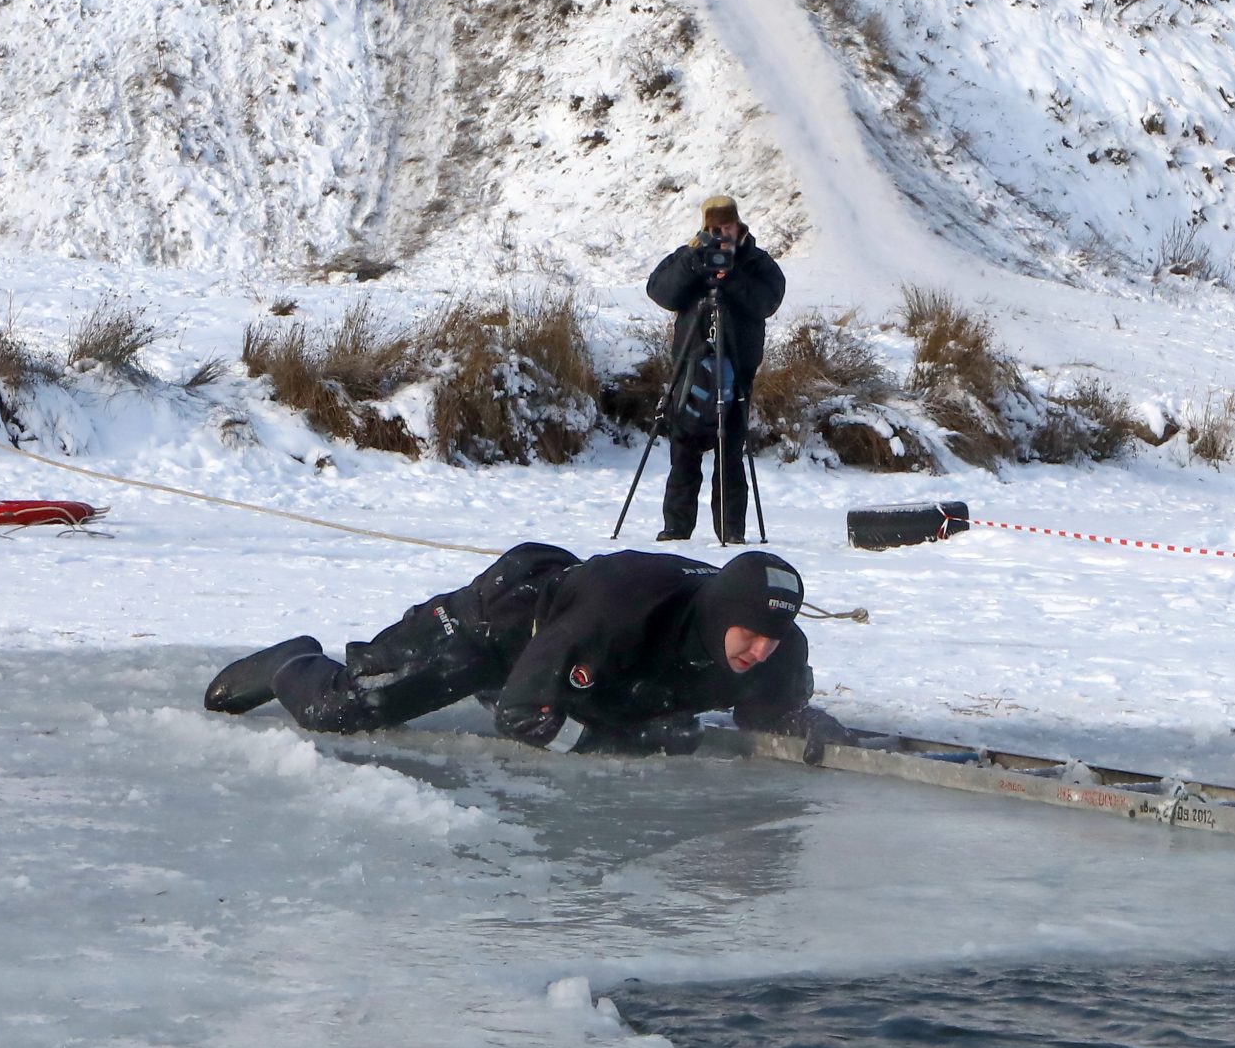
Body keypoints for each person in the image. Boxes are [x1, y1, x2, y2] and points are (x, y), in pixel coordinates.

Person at [203, 544, 830, 755]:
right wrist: (608, 739)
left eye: (773, 641)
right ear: (722, 616)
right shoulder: (618, 614)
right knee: (346, 711)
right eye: (749, 638)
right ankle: (291, 661)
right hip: (497, 626)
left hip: (570, 643)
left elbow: (772, 712)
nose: (759, 653)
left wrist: (804, 724)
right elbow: (522, 716)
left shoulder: (776, 646)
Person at [644, 194, 785, 544]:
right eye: (714, 228)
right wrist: (694, 263)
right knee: (683, 452)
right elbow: (660, 292)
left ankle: (731, 531)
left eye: (727, 226)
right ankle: (676, 529)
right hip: (691, 367)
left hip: (737, 367)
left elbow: (768, 301)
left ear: (739, 224)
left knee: (731, 454)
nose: (722, 233)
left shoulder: (755, 261)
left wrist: (732, 276)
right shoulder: (691, 255)